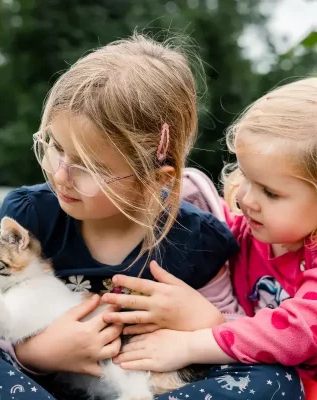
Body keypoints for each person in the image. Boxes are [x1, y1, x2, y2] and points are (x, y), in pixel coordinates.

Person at [0, 35, 302, 399]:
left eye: (88, 166)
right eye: (55, 147)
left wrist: (208, 320)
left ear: (156, 177)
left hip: (146, 387)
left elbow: (235, 340)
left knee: (278, 381)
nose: (60, 174)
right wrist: (35, 352)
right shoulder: (27, 215)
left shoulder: (198, 239)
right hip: (32, 387)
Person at [105, 78, 317, 398]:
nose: (247, 198)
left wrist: (191, 344)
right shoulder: (250, 228)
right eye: (246, 176)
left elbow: (298, 331)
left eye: (270, 192)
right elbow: (206, 237)